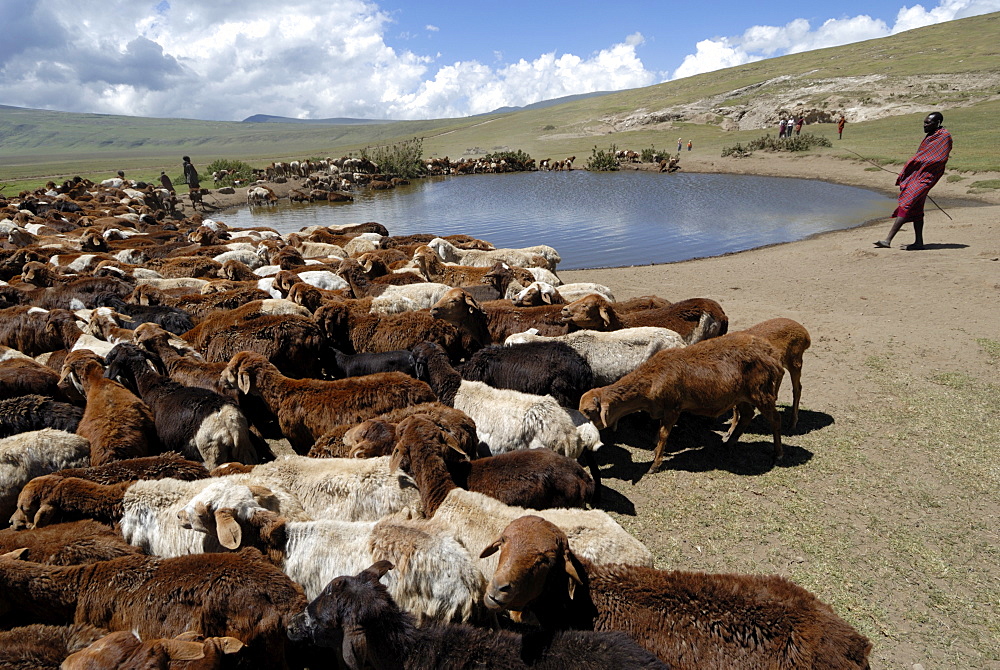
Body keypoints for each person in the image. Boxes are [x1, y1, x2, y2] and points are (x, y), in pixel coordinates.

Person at [874, 112, 952, 251]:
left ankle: (887, 240)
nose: (925, 125)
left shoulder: (944, 136)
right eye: (924, 122)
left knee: (907, 203)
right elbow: (924, 154)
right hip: (919, 176)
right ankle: (919, 242)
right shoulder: (931, 136)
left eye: (928, 122)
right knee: (917, 207)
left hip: (928, 177)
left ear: (938, 122)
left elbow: (939, 158)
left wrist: (917, 161)